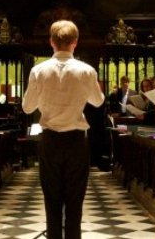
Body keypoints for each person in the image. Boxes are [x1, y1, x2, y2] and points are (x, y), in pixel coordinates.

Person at [22, 20, 104, 239]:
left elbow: (27, 107)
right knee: (75, 201)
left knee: (52, 200)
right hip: (77, 142)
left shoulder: (38, 70)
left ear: (51, 42)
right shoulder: (87, 70)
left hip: (49, 141)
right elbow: (97, 102)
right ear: (75, 43)